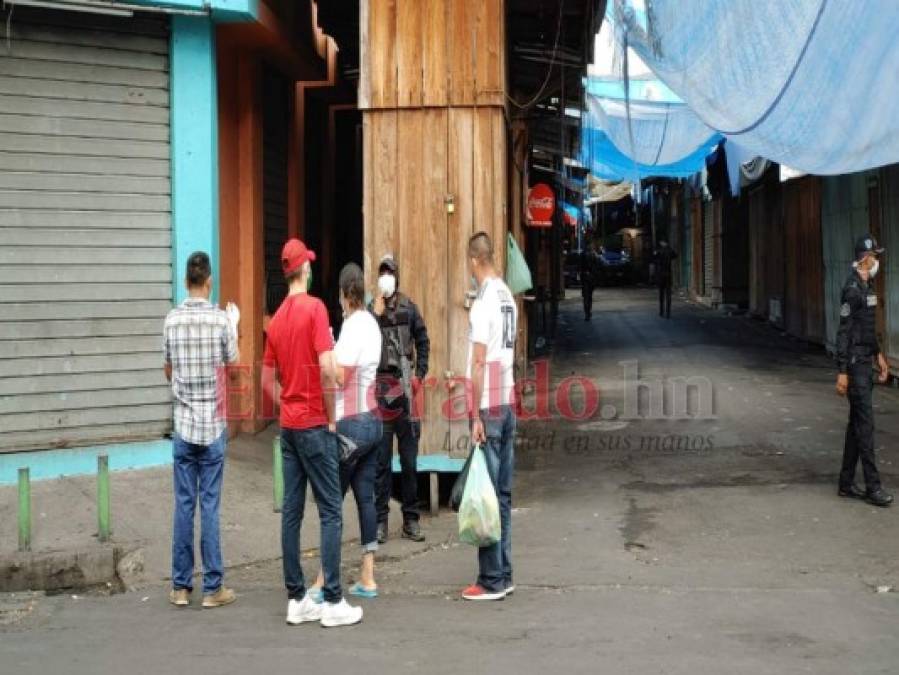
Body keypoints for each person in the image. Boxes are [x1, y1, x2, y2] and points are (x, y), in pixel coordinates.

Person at [262, 239, 363, 627]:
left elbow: (267, 378)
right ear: (304, 269)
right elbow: (326, 369)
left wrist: (286, 403)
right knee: (331, 511)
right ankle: (334, 600)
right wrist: (330, 414)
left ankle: (297, 597)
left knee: (291, 511)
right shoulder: (316, 309)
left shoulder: (278, 318)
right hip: (314, 425)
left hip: (289, 426)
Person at [163, 251, 239, 609]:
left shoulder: (171, 320)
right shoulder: (222, 320)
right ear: (209, 282)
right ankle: (213, 588)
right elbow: (234, 368)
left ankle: (180, 588)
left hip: (183, 426)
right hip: (212, 427)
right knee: (209, 505)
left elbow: (167, 369)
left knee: (183, 505)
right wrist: (235, 325)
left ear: (185, 282)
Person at [309, 263, 384, 599]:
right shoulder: (372, 323)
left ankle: (324, 578)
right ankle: (367, 575)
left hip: (351, 423)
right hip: (372, 420)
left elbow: (340, 376)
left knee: (331, 502)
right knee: (364, 496)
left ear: (343, 294)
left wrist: (325, 349)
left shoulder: (353, 327)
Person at [461, 232, 518, 601]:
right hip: (508, 398)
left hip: (492, 405)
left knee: (487, 495)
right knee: (503, 495)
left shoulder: (483, 302)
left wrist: (475, 414)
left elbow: (480, 361)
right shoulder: (507, 296)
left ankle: (491, 578)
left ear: (473, 261)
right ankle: (505, 571)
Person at [371, 254, 430, 544]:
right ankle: (380, 521)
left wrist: (420, 374)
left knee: (409, 461)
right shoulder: (372, 311)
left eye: (390, 272)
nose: (386, 277)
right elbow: (361, 343)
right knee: (381, 462)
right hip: (381, 393)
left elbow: (423, 341)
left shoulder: (409, 308)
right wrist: (375, 313)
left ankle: (411, 519)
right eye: (382, 272)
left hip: (405, 392)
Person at [835, 234, 893, 508]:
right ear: (864, 259)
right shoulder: (853, 290)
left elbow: (867, 328)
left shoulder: (867, 287)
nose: (878, 261)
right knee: (865, 426)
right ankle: (873, 487)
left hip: (866, 361)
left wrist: (879, 354)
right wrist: (842, 371)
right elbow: (844, 331)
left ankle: (846, 483)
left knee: (856, 426)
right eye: (874, 257)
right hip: (855, 367)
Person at [653, 239, 678, 319]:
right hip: (668, 274)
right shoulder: (669, 250)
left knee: (661, 294)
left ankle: (661, 311)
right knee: (668, 294)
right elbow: (675, 255)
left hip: (661, 275)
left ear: (661, 242)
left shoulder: (659, 251)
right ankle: (668, 313)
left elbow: (654, 257)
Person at [580, 243, 598, 321]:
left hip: (585, 277)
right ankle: (588, 312)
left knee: (586, 296)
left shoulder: (583, 254)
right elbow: (597, 266)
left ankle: (587, 312)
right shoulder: (594, 254)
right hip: (591, 277)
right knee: (589, 296)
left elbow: (579, 266)